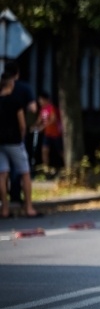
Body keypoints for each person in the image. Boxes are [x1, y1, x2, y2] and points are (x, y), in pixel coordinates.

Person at [0, 74, 40, 218]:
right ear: (11, 84)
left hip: (1, 143)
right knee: (25, 172)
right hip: (15, 142)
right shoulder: (15, 101)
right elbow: (22, 124)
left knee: (2, 175)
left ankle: (4, 208)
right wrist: (21, 136)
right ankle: (29, 207)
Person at [33, 91, 63, 176]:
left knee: (61, 151)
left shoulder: (51, 107)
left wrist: (43, 126)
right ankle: (46, 169)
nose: (39, 102)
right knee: (44, 150)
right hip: (47, 134)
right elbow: (39, 120)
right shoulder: (42, 109)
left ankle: (68, 167)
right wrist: (34, 126)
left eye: (41, 100)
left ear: (45, 100)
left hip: (56, 133)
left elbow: (53, 119)